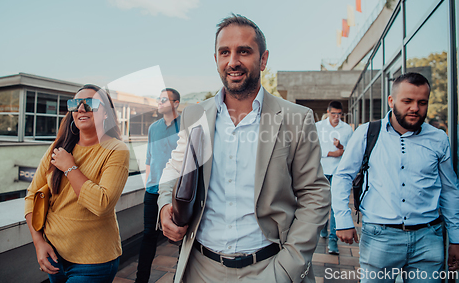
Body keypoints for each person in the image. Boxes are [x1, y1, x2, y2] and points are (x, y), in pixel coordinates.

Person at [158, 14, 331, 283]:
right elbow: (174, 170)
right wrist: (163, 207)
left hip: (269, 267)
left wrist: (288, 266)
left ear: (263, 59)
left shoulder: (297, 118)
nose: (233, 61)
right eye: (224, 52)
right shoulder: (195, 115)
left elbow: (315, 194)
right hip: (200, 268)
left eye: (244, 51)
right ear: (215, 59)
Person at [332, 72, 459, 283]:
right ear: (391, 101)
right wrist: (343, 219)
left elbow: (450, 190)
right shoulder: (367, 133)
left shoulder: (439, 139)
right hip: (379, 238)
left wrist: (455, 238)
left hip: (428, 239)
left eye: (422, 102)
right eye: (407, 101)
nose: (415, 108)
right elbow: (343, 176)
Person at [24, 84, 130, 283]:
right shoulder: (58, 148)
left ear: (106, 112)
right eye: (75, 104)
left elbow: (102, 204)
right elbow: (32, 195)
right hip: (54, 255)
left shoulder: (116, 150)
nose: (81, 108)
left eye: (89, 104)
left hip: (93, 262)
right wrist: (38, 242)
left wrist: (70, 168)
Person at [135, 88, 181, 283]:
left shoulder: (186, 126)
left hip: (176, 192)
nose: (159, 102)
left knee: (180, 236)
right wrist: (148, 182)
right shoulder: (154, 127)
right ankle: (141, 280)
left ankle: (181, 277)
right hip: (153, 190)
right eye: (159, 99)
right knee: (148, 236)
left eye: (164, 99)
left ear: (176, 103)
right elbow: (149, 157)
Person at [315, 101, 353, 255]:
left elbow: (350, 151)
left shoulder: (346, 130)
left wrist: (341, 148)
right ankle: (323, 227)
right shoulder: (318, 127)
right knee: (323, 203)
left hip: (338, 173)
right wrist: (332, 153)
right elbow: (313, 147)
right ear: (328, 112)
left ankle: (333, 241)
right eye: (333, 114)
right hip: (322, 171)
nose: (336, 117)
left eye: (339, 114)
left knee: (336, 205)